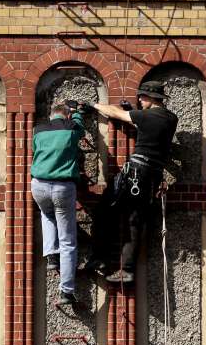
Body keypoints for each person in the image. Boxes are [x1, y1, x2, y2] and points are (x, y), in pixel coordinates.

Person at [88, 81, 179, 283]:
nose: (139, 99)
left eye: (142, 96)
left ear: (152, 98)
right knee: (134, 220)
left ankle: (98, 259)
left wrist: (94, 105)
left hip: (136, 171)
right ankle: (127, 269)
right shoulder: (171, 118)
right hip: (153, 175)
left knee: (103, 210)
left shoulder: (147, 116)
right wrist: (133, 113)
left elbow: (114, 113)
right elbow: (144, 126)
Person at [31, 101, 86, 305]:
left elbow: (35, 151)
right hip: (63, 187)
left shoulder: (38, 130)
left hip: (38, 185)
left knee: (47, 214)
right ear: (67, 115)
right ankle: (67, 291)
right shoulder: (71, 126)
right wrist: (79, 113)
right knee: (68, 241)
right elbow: (81, 130)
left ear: (52, 114)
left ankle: (51, 255)